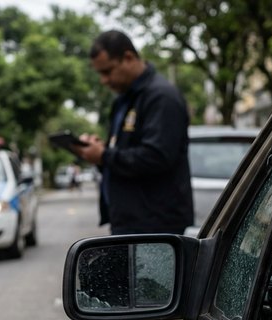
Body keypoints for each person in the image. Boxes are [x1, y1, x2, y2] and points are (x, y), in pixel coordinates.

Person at [72, 30, 193, 235]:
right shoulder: (124, 100)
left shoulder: (161, 97)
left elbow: (157, 156)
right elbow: (125, 153)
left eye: (108, 71)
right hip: (130, 223)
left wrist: (104, 155)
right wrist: (99, 152)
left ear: (128, 57)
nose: (103, 80)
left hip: (155, 228)